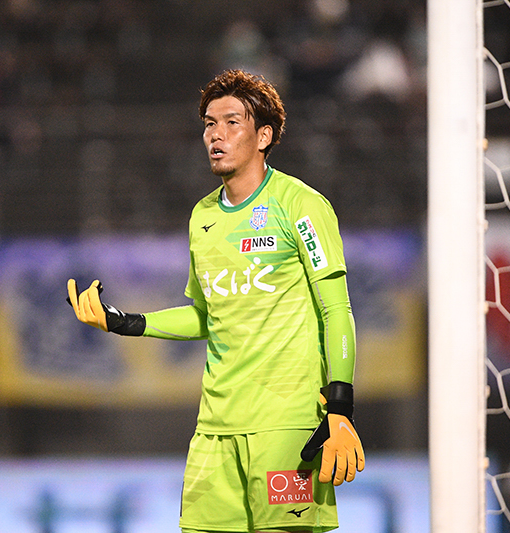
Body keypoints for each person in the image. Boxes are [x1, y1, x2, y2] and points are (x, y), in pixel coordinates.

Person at [67, 69, 364, 533]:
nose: (215, 135)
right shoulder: (202, 217)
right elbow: (207, 316)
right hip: (214, 428)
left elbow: (336, 310)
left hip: (285, 425)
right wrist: (127, 322)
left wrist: (341, 407)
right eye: (209, 124)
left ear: (264, 136)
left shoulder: (300, 205)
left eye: (231, 122)